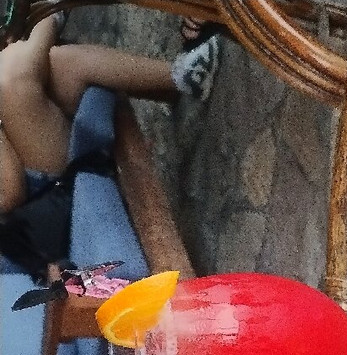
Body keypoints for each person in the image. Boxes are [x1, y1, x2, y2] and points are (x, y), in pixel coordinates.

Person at [0, 13, 220, 275]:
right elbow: (10, 193)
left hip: (26, 149)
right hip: (40, 195)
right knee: (10, 78)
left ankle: (184, 77)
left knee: (61, 65)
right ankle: (50, 16)